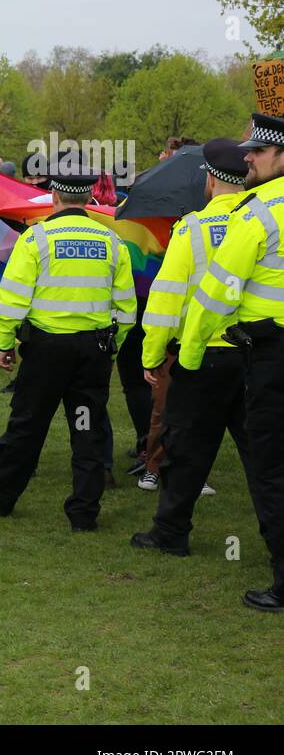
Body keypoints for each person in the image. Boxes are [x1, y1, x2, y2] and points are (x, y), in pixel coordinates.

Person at [0, 169, 136, 531]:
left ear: (54, 199)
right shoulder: (111, 241)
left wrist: (6, 344)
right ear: (90, 200)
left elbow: (11, 299)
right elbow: (126, 307)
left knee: (27, 425)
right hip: (92, 350)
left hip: (46, 351)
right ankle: (84, 511)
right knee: (86, 428)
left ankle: (0, 495)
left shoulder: (36, 239)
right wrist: (112, 348)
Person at [177, 112, 284, 612]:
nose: (248, 158)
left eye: (258, 152)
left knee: (270, 468)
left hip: (269, 357)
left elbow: (215, 295)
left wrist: (191, 353)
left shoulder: (257, 212)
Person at [131, 139, 248, 555]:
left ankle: (170, 533)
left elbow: (166, 298)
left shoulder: (193, 228)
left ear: (211, 179)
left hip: (202, 358)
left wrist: (151, 356)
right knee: (265, 458)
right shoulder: (270, 221)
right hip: (259, 355)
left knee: (184, 449)